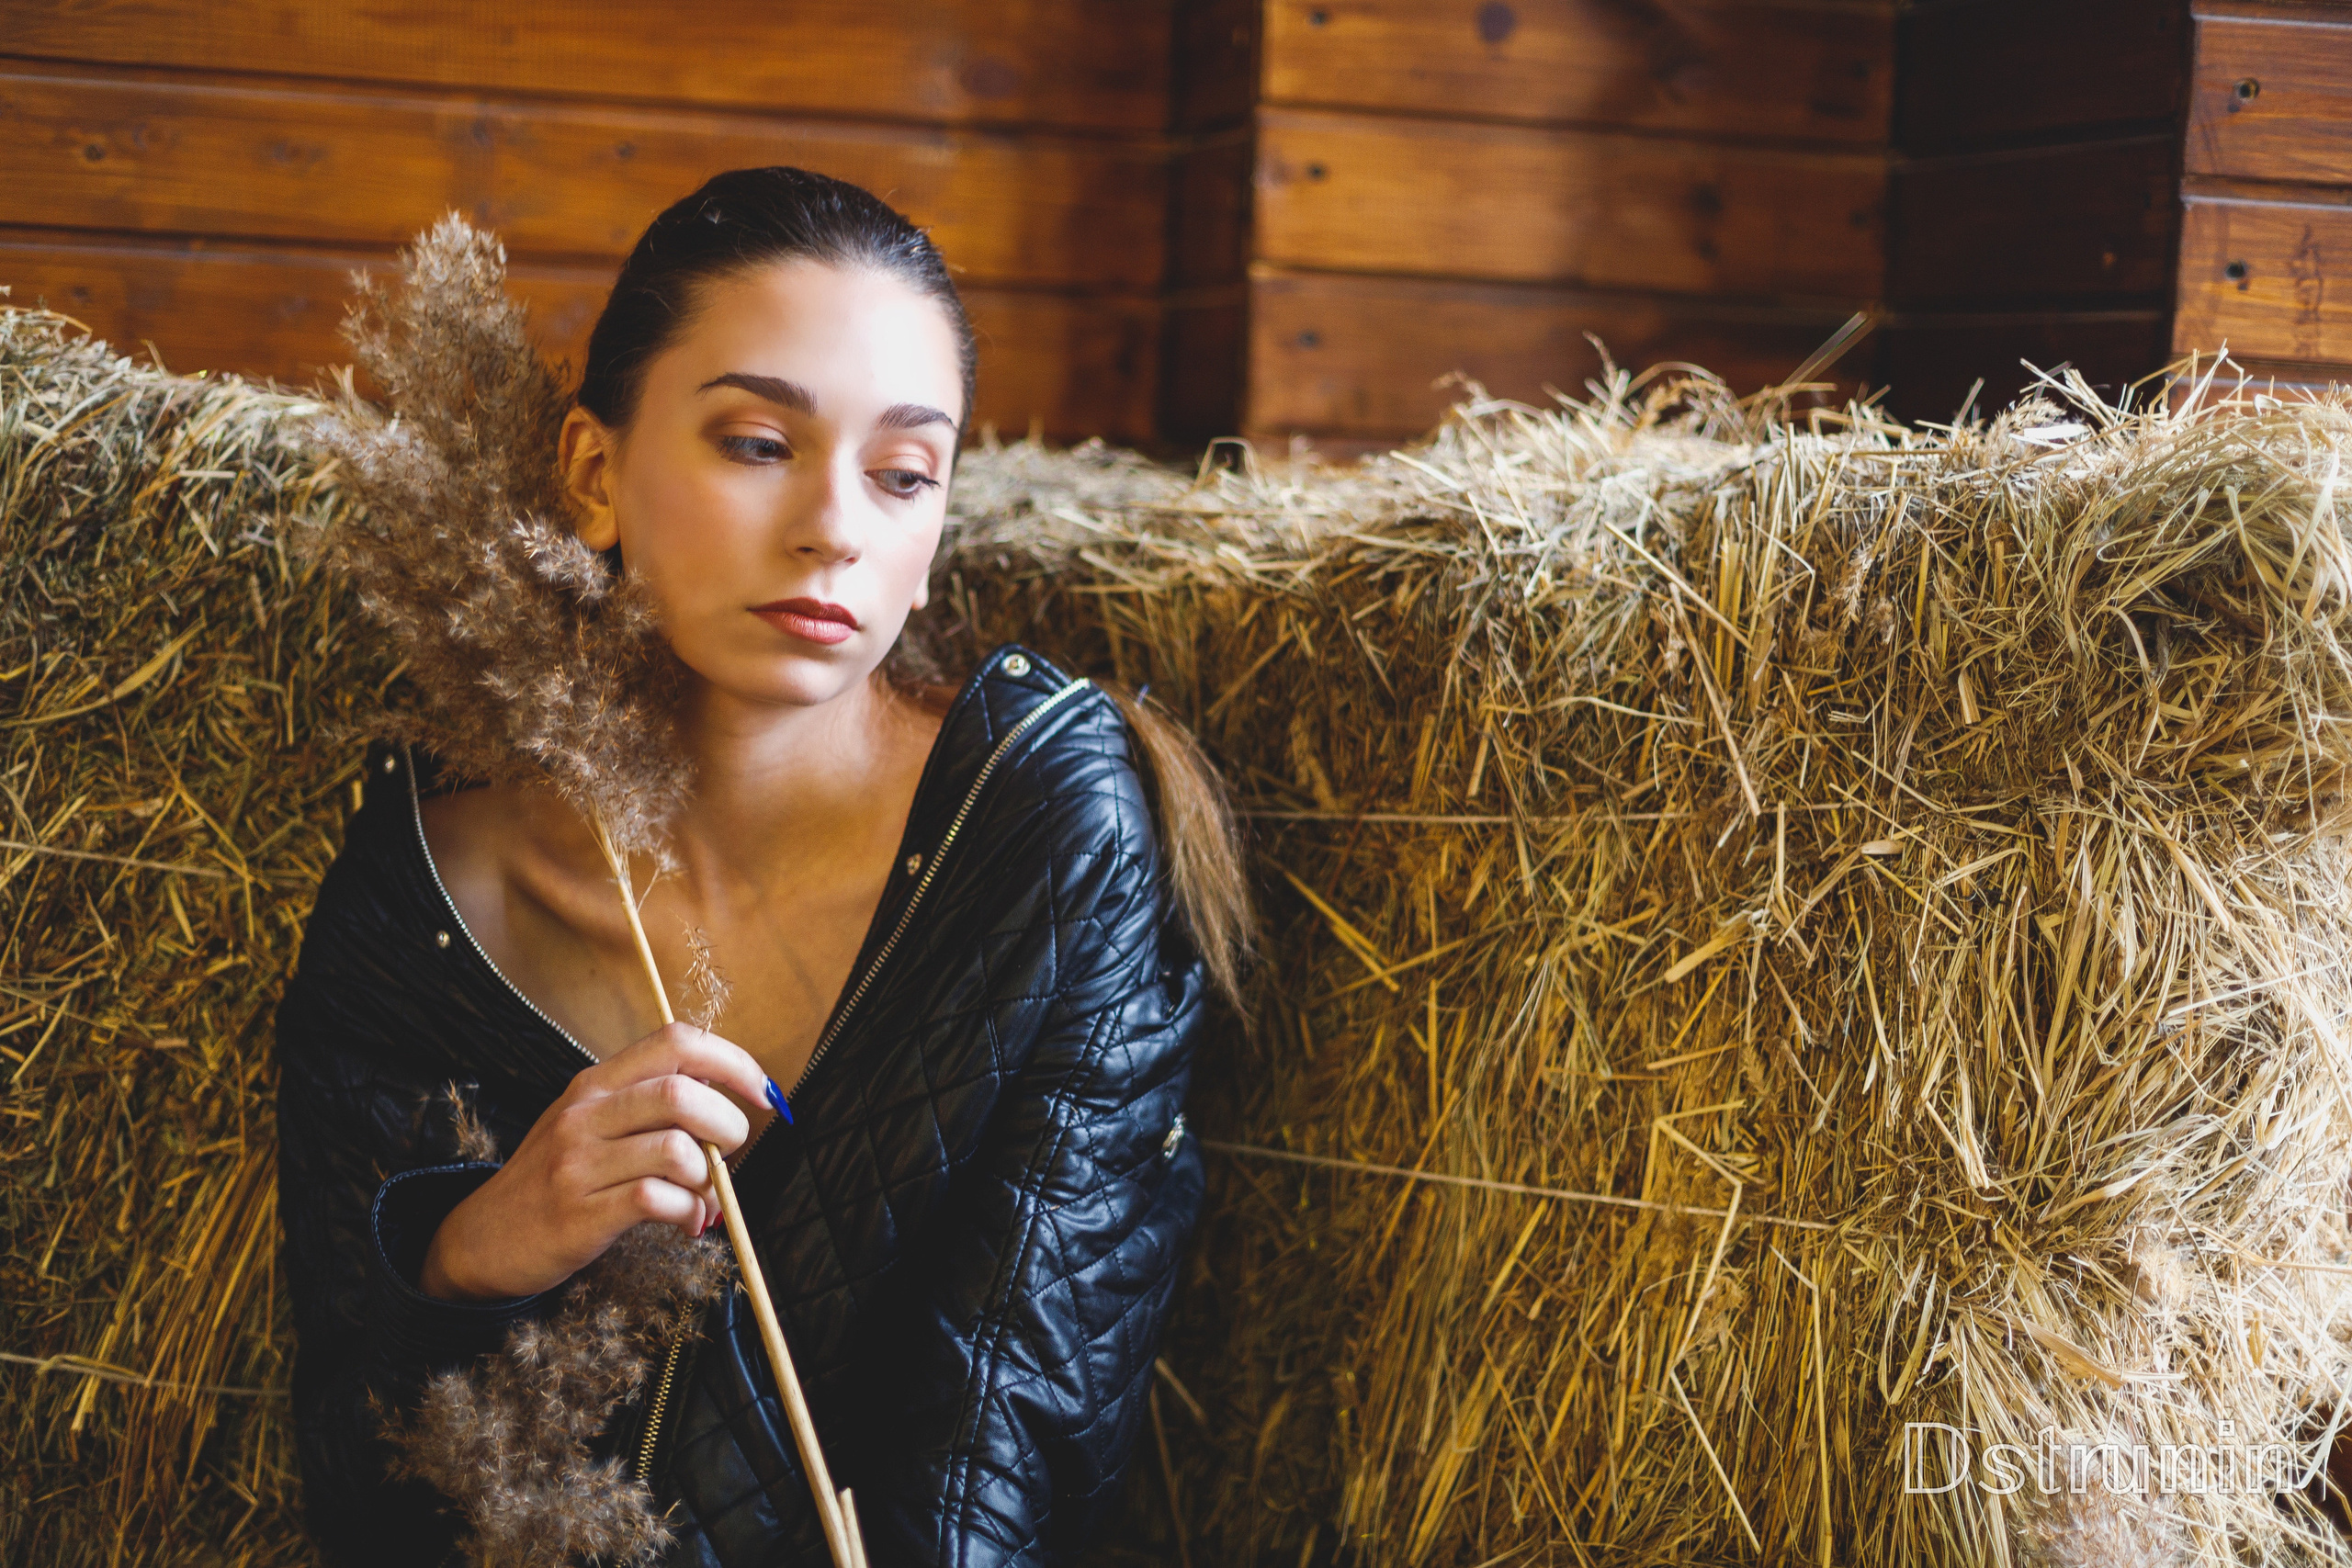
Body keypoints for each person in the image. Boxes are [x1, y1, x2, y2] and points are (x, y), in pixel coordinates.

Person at [275, 166, 1248, 1567]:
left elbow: (1017, 1436)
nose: (836, 528)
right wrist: (481, 1249)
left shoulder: (1039, 834)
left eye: (904, 474)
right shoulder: (427, 899)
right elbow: (365, 1491)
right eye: (755, 443)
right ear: (595, 476)